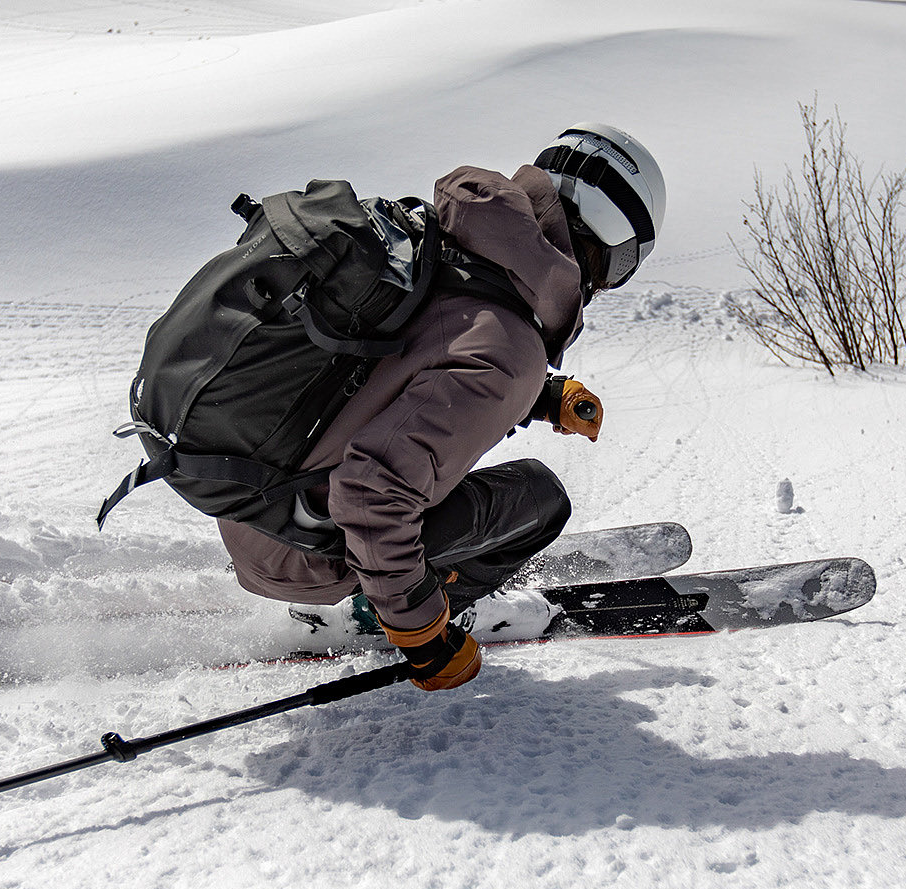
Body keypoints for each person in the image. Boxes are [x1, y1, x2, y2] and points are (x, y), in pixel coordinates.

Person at [218, 124, 667, 691]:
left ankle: (389, 585)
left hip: (252, 507)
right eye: (622, 261)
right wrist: (421, 634)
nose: (607, 281)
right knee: (541, 498)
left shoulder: (439, 241)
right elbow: (369, 493)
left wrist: (543, 397)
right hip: (308, 552)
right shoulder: (509, 348)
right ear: (603, 235)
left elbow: (402, 367)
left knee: (432, 472)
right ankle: (378, 613)